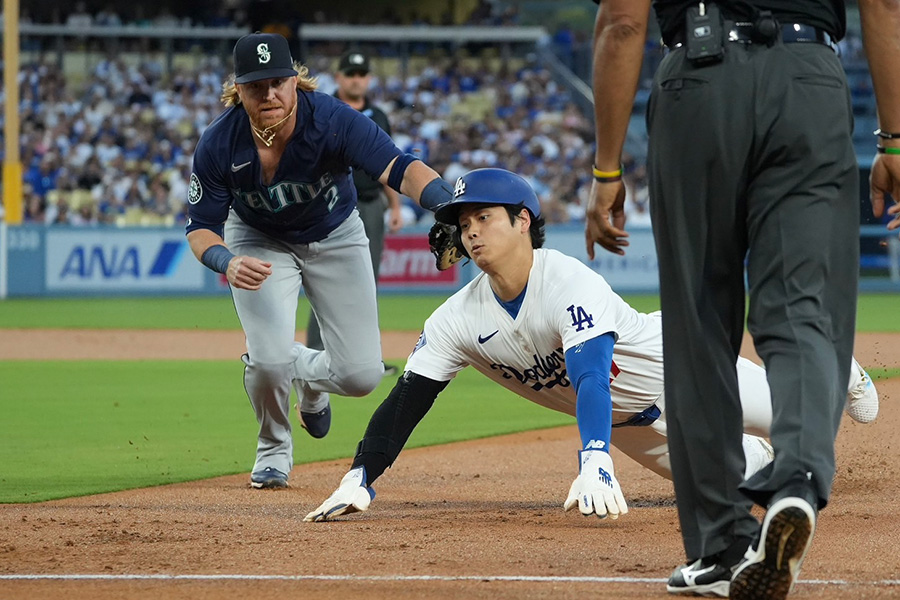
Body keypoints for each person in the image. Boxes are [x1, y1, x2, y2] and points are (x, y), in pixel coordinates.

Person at [302, 168, 877, 525]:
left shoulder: (566, 279)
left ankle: (836, 367)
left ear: (523, 221)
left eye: (484, 217)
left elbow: (592, 372)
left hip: (685, 367)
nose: (471, 231)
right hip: (629, 424)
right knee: (748, 484)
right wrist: (360, 476)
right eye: (462, 223)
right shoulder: (457, 318)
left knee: (807, 420)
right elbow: (406, 402)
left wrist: (593, 455)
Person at [586, 1, 900, 598]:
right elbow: (885, 5)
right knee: (804, 306)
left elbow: (621, 22)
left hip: (698, 85)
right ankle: (799, 477)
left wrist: (606, 172)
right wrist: (895, 141)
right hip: (808, 80)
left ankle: (719, 545)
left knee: (699, 325)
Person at [185, 33, 453, 490]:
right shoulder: (219, 143)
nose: (268, 94)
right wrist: (225, 261)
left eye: (277, 82)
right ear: (238, 89)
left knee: (361, 375)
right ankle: (273, 448)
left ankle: (307, 380)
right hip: (257, 240)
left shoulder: (331, 120)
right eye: (256, 85)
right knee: (268, 361)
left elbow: (399, 167)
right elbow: (199, 227)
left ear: (295, 81)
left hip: (336, 235)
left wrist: (450, 205)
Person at [306, 50, 404, 377]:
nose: (356, 79)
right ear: (339, 77)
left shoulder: (378, 115)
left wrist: (396, 205)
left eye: (361, 74)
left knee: (366, 282)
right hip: (329, 204)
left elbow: (388, 163)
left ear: (368, 78)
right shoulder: (323, 108)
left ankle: (366, 359)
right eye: (350, 74)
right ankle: (315, 355)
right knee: (321, 279)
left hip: (370, 203)